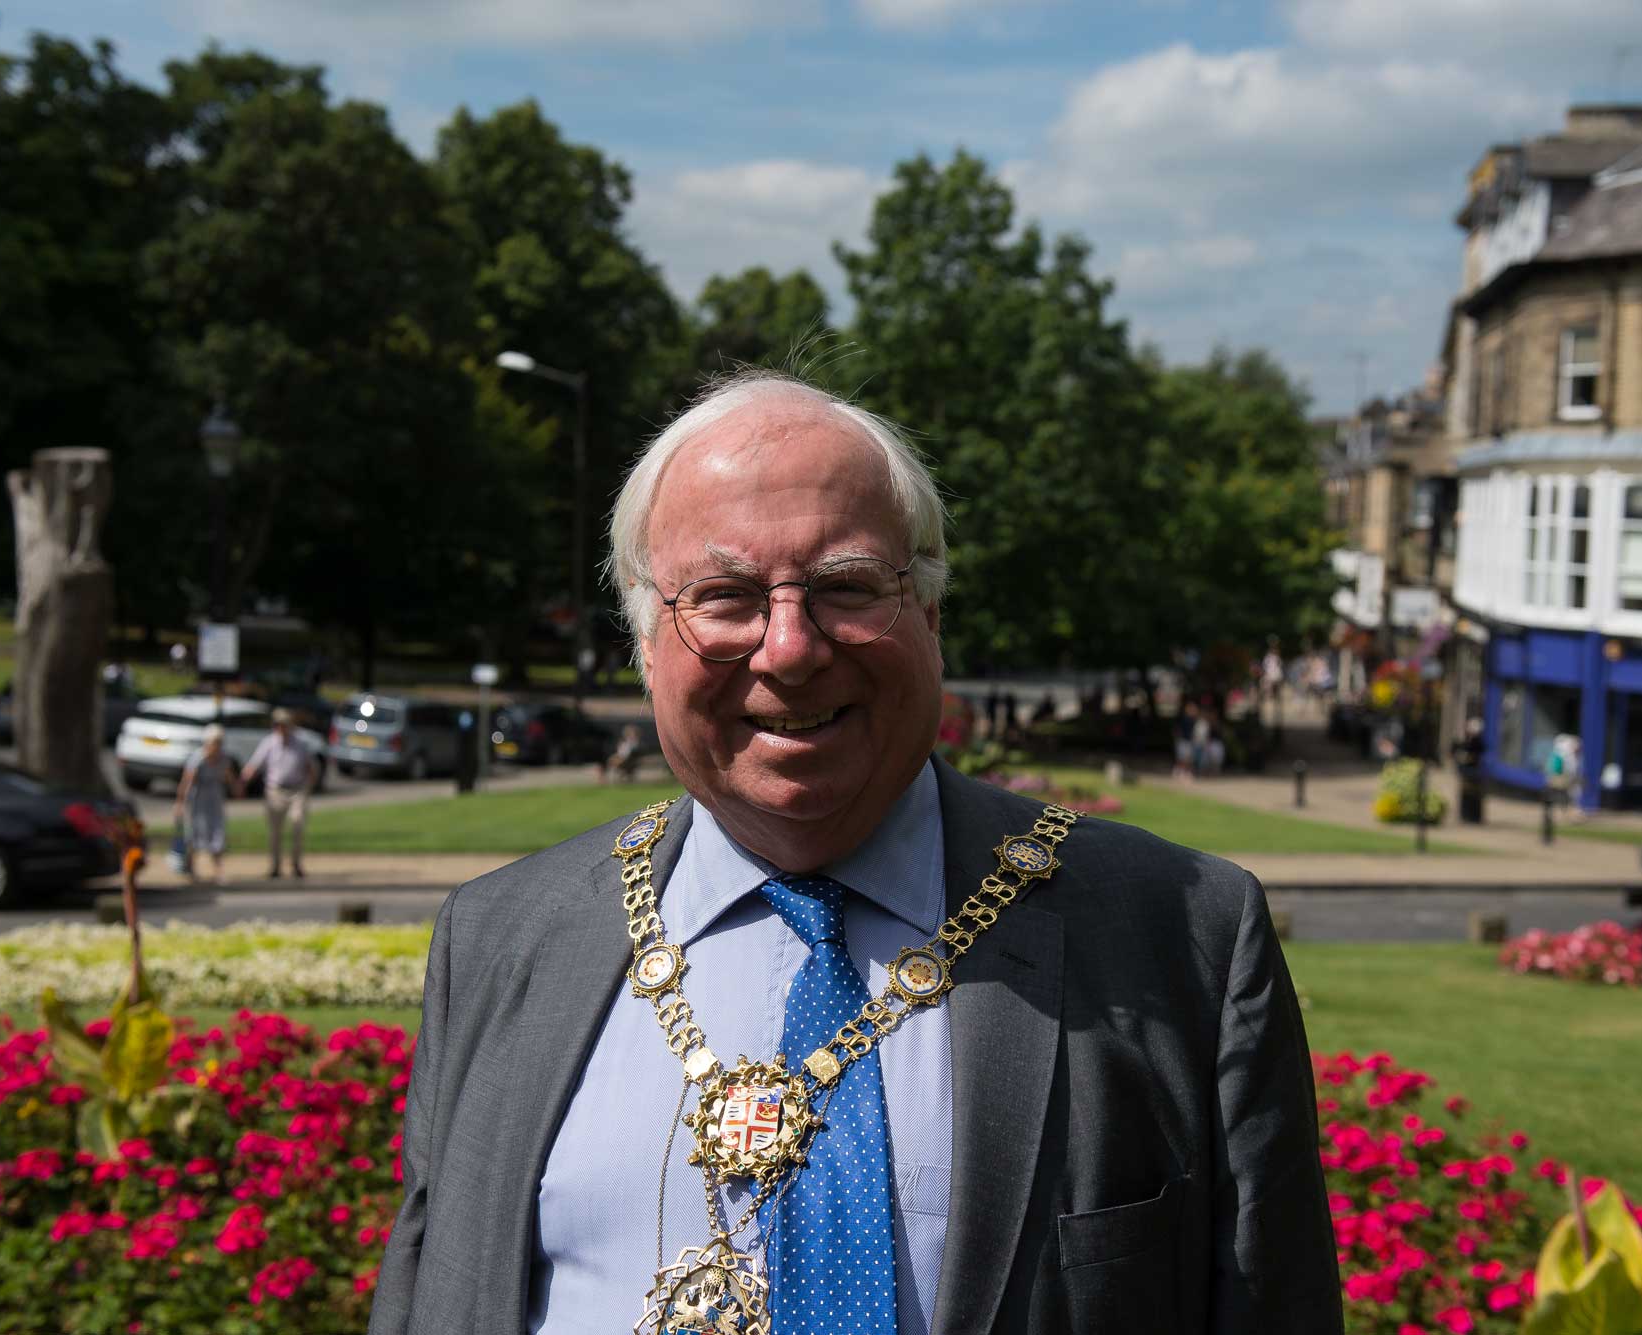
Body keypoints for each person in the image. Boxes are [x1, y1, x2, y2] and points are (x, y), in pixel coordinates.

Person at [370, 372, 1340, 1335]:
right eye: (723, 596)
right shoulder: (497, 938)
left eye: (844, 588)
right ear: (644, 640)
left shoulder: (1177, 934)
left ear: (928, 611)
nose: (787, 649)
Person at [241, 708, 319, 879]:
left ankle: (296, 864)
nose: (281, 728)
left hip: (297, 790)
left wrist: (309, 787)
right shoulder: (268, 743)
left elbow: (311, 767)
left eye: (284, 724)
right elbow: (255, 765)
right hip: (275, 791)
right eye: (278, 724)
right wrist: (242, 782)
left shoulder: (300, 744)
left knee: (297, 823)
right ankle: (275, 866)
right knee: (275, 831)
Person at [172, 723, 242, 884]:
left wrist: (236, 787)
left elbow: (229, 776)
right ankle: (191, 867)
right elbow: (187, 781)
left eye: (219, 743)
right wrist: (180, 802)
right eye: (214, 743)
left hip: (215, 797)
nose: (216, 746)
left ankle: (218, 870)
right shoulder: (198, 758)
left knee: (217, 832)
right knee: (195, 833)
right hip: (199, 798)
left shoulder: (224, 758)